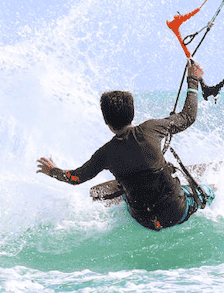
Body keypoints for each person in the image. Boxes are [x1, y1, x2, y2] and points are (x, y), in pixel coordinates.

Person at [36, 59, 214, 230]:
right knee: (208, 191)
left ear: (106, 122)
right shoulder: (151, 129)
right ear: (133, 114)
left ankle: (126, 193)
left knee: (127, 193)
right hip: (177, 213)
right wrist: (192, 79)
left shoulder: (105, 154)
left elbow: (76, 177)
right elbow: (187, 117)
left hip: (147, 222)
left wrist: (51, 170)